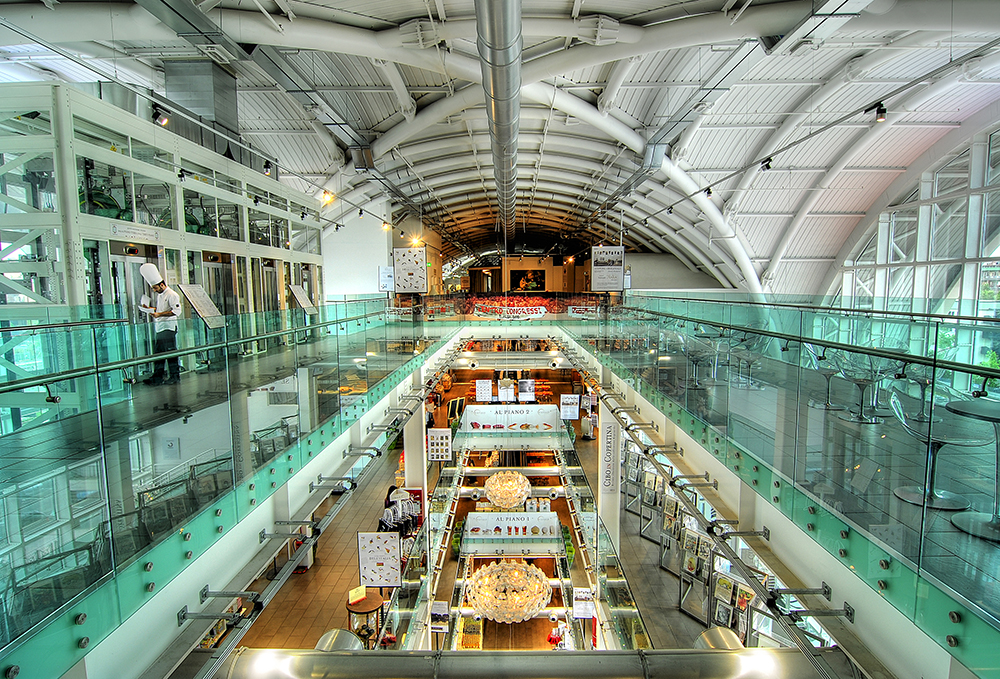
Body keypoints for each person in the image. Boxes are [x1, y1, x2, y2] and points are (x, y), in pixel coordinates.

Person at [139, 263, 182, 385]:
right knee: (158, 354)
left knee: (170, 353)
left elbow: (176, 311)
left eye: (155, 288)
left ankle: (174, 376)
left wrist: (159, 314)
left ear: (162, 284)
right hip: (160, 327)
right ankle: (157, 376)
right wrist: (150, 309)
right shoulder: (160, 295)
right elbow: (161, 309)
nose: (154, 290)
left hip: (169, 328)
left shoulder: (172, 295)